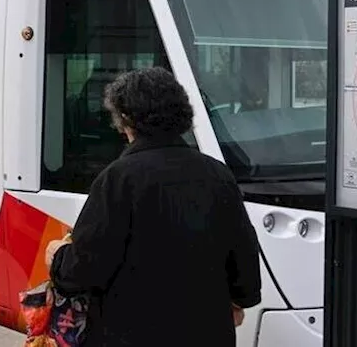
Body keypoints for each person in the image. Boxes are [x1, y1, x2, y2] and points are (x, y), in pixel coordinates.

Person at [44, 66, 261, 347]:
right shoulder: (217, 174)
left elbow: (86, 267)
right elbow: (243, 254)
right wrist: (238, 299)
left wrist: (59, 257)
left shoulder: (118, 178)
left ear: (126, 118)